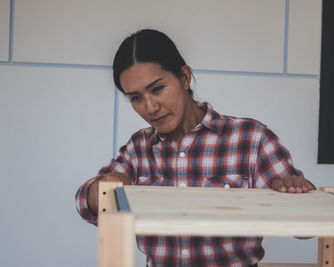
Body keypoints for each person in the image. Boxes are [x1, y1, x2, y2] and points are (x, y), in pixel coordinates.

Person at [75, 29, 315, 267]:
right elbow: (85, 204)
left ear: (184, 77)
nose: (150, 107)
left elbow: (307, 227)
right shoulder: (138, 149)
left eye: (157, 89)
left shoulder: (251, 139)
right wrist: (105, 187)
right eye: (136, 98)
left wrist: (293, 191)